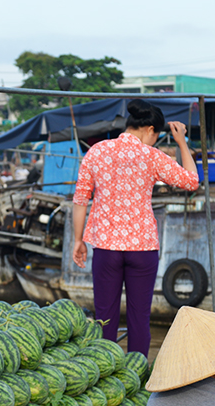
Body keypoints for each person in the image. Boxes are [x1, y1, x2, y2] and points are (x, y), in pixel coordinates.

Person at [71, 99, 199, 355]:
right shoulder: (151, 156)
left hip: (106, 249)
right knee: (139, 320)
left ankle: (105, 377)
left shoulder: (97, 151)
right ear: (150, 129)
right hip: (142, 249)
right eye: (156, 136)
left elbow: (80, 199)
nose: (154, 141)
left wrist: (78, 240)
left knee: (104, 318)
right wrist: (182, 141)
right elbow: (191, 181)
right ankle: (137, 379)